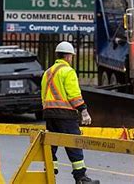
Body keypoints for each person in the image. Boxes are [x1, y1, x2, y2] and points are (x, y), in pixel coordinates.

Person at [41, 41, 97, 184]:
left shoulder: (47, 72)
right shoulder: (68, 71)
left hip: (49, 113)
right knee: (74, 143)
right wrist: (83, 109)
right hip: (65, 114)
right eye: (71, 56)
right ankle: (80, 177)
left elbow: (43, 95)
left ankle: (50, 174)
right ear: (68, 56)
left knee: (51, 144)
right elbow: (73, 94)